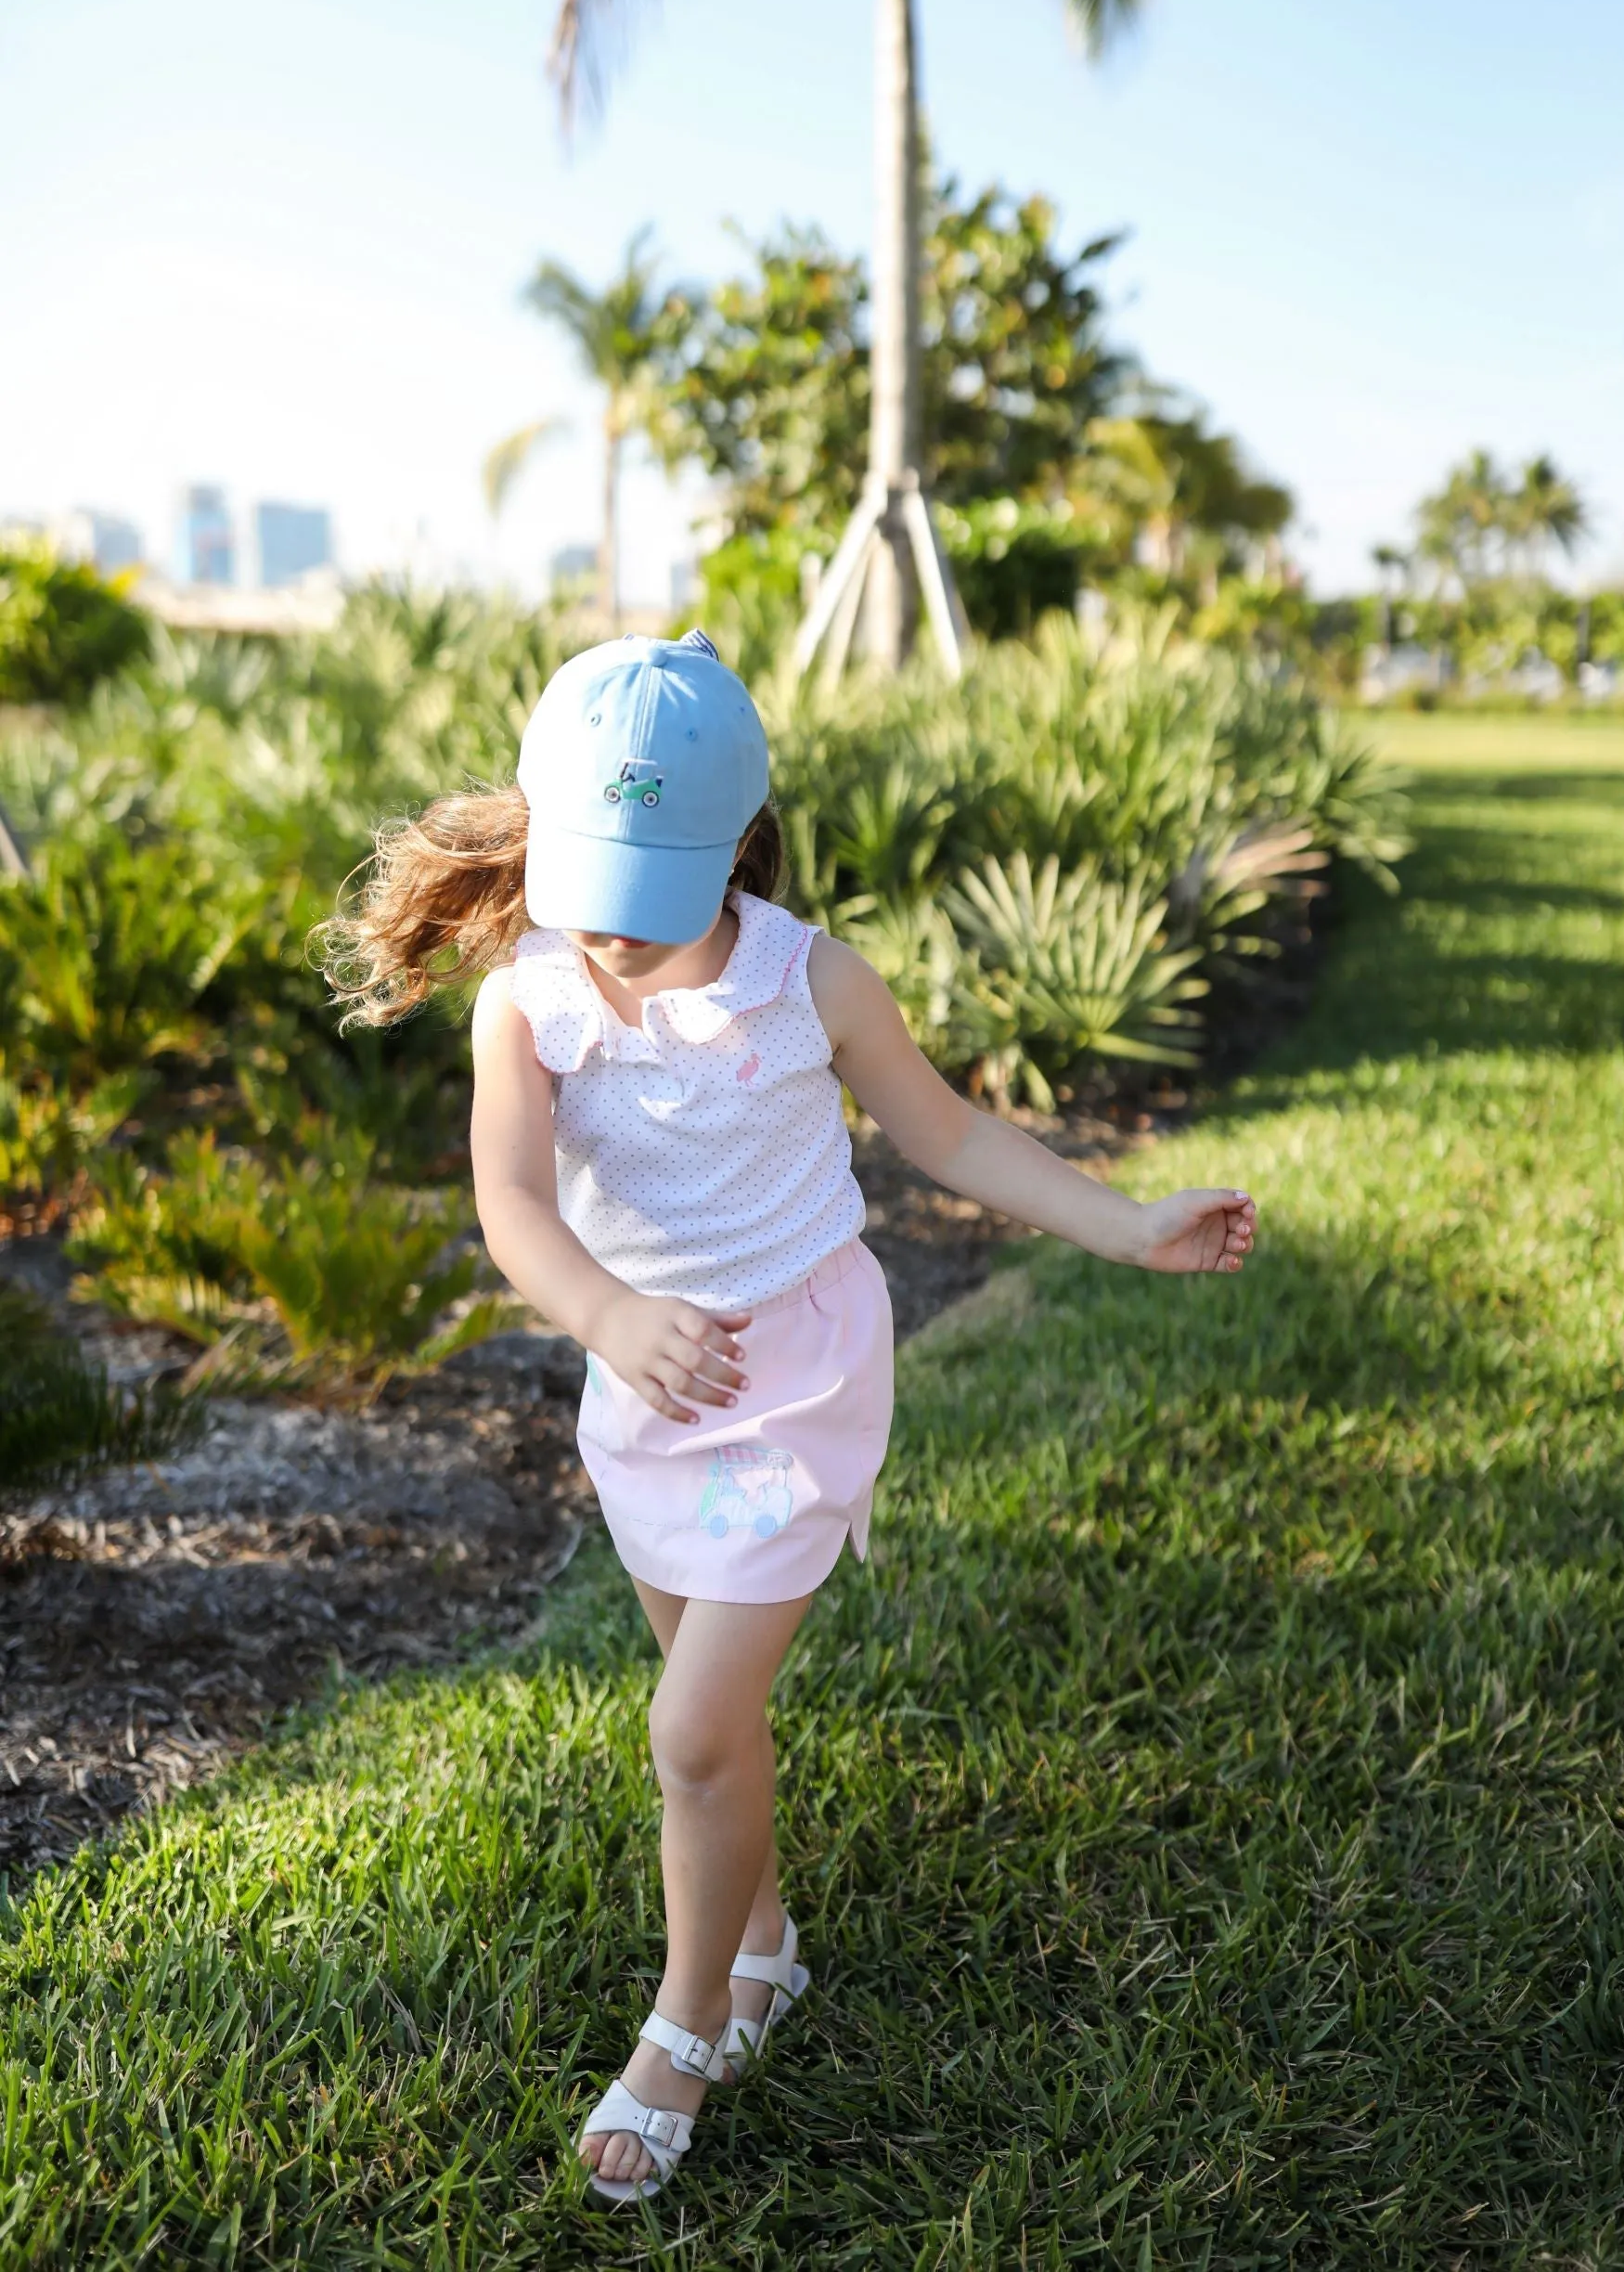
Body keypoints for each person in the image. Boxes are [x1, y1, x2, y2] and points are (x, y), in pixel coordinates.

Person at [320, 629, 1257, 2203]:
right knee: (713, 1716)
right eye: (589, 881)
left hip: (800, 1391)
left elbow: (949, 1135)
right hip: (646, 1391)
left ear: (735, 844)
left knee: (688, 1729)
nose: (612, 929)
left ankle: (684, 2032)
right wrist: (609, 1317)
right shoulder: (530, 1003)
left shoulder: (807, 977)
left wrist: (1124, 1221)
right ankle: (759, 1937)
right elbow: (510, 1207)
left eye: (651, 888)